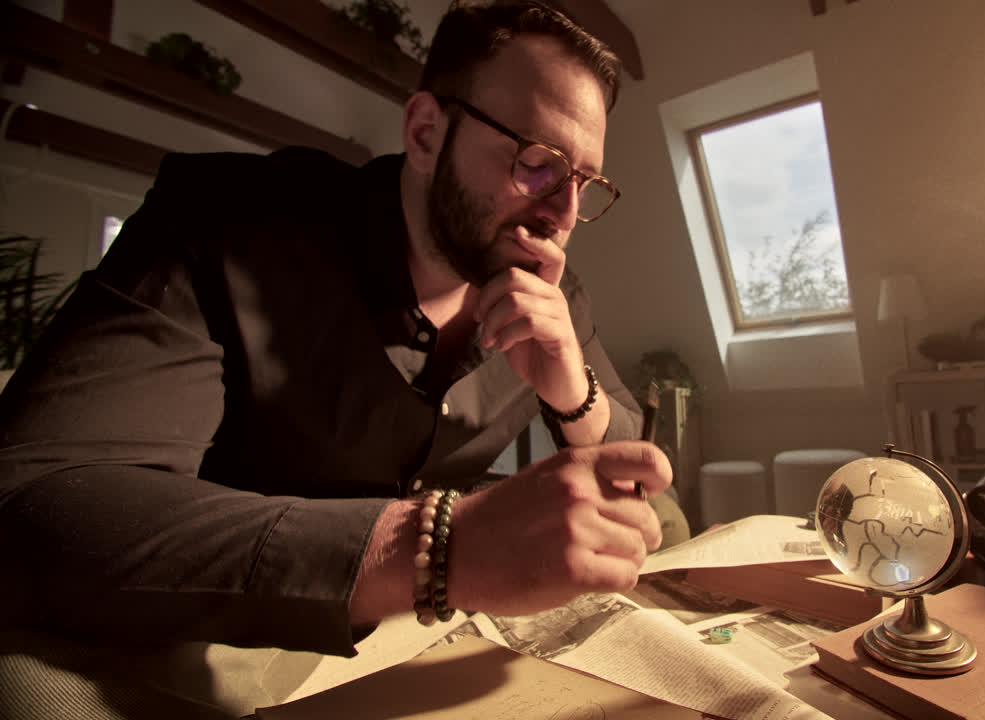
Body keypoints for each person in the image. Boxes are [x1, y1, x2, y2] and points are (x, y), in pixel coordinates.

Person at [0, 1, 670, 715]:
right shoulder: (221, 219)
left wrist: (574, 398)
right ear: (423, 132)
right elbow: (30, 502)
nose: (564, 214)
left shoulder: (556, 291)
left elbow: (632, 461)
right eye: (539, 163)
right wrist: (435, 549)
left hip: (417, 657)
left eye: (587, 183)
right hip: (213, 633)